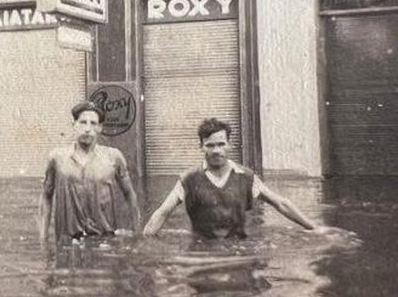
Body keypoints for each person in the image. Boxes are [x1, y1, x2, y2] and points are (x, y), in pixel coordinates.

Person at [143, 118, 334, 239]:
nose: (216, 150)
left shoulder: (246, 177)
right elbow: (162, 213)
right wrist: (143, 242)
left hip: (238, 250)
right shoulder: (189, 179)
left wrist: (314, 228)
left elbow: (280, 203)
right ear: (201, 146)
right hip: (201, 253)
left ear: (229, 144)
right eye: (210, 145)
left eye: (221, 144)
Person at [38, 101, 141, 246]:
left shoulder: (113, 157)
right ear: (74, 124)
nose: (87, 129)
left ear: (100, 128)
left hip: (104, 240)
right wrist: (43, 240)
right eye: (83, 122)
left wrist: (137, 235)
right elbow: (46, 196)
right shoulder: (57, 157)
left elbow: (130, 195)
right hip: (67, 241)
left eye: (93, 123)